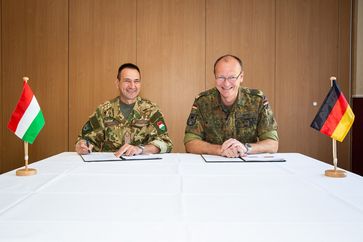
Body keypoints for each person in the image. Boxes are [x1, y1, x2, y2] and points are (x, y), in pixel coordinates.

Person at [184, 54, 278, 157]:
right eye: (221, 77)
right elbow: (190, 142)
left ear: (241, 77)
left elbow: (272, 144)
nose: (226, 83)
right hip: (213, 164)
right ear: (215, 77)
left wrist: (245, 148)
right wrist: (219, 150)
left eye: (232, 77)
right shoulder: (202, 101)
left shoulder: (257, 100)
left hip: (247, 164)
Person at [75, 63, 173, 156]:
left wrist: (141, 149)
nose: (132, 86)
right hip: (111, 166)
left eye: (136, 81)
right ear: (117, 83)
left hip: (142, 166)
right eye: (127, 81)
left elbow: (165, 143)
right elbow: (85, 139)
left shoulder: (151, 110)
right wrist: (82, 145)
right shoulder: (104, 111)